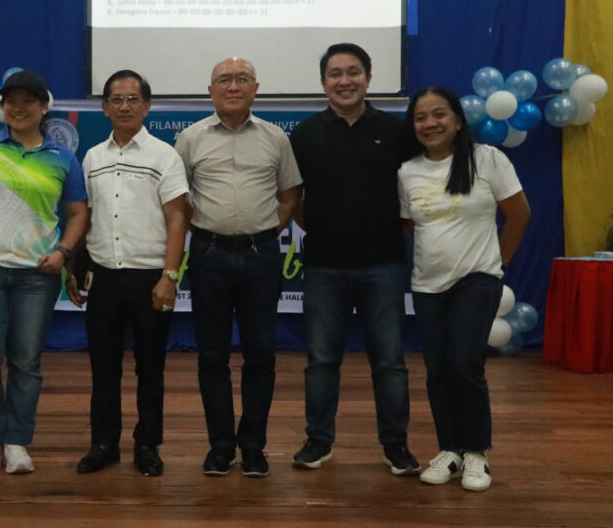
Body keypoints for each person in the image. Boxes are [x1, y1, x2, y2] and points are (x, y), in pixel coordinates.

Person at [0, 70, 89, 474]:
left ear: (43, 107)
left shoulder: (62, 157)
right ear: (2, 107)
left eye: (28, 101)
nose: (18, 108)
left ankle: (18, 441)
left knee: (25, 362)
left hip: (37, 277)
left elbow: (78, 213)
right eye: (11, 101)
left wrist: (63, 252)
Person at [288, 43, 422, 475]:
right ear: (323, 82)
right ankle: (318, 440)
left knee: (389, 362)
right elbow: (295, 200)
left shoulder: (398, 132)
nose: (344, 81)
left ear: (368, 77)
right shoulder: (305, 134)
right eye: (335, 74)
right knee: (322, 361)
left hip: (384, 264)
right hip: (324, 265)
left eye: (353, 72)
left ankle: (396, 444)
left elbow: (416, 191)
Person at [174, 57, 302, 477]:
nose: (233, 86)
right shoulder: (190, 139)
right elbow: (178, 199)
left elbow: (289, 196)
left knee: (260, 355)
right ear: (210, 90)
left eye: (242, 79)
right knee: (211, 356)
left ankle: (252, 446)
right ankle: (220, 446)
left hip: (260, 256)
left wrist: (261, 232)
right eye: (225, 80)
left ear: (255, 88)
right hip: (208, 255)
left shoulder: (275, 138)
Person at [399, 87, 530, 492]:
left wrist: (497, 267)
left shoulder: (487, 159)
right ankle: (450, 450)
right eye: (421, 117)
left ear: (457, 120)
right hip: (427, 285)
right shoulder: (408, 172)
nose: (430, 123)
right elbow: (411, 225)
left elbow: (519, 214)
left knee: (463, 365)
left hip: (477, 279)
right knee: (437, 370)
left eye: (439, 114)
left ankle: (476, 453)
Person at [67, 70, 189, 477]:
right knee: (103, 367)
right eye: (116, 100)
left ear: (147, 106)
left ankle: (147, 445)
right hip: (103, 277)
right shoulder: (92, 158)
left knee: (150, 368)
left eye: (133, 99)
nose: (124, 106)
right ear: (104, 107)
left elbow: (178, 218)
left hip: (149, 277)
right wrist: (73, 267)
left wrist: (169, 275)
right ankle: (103, 444)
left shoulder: (164, 155)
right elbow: (84, 217)